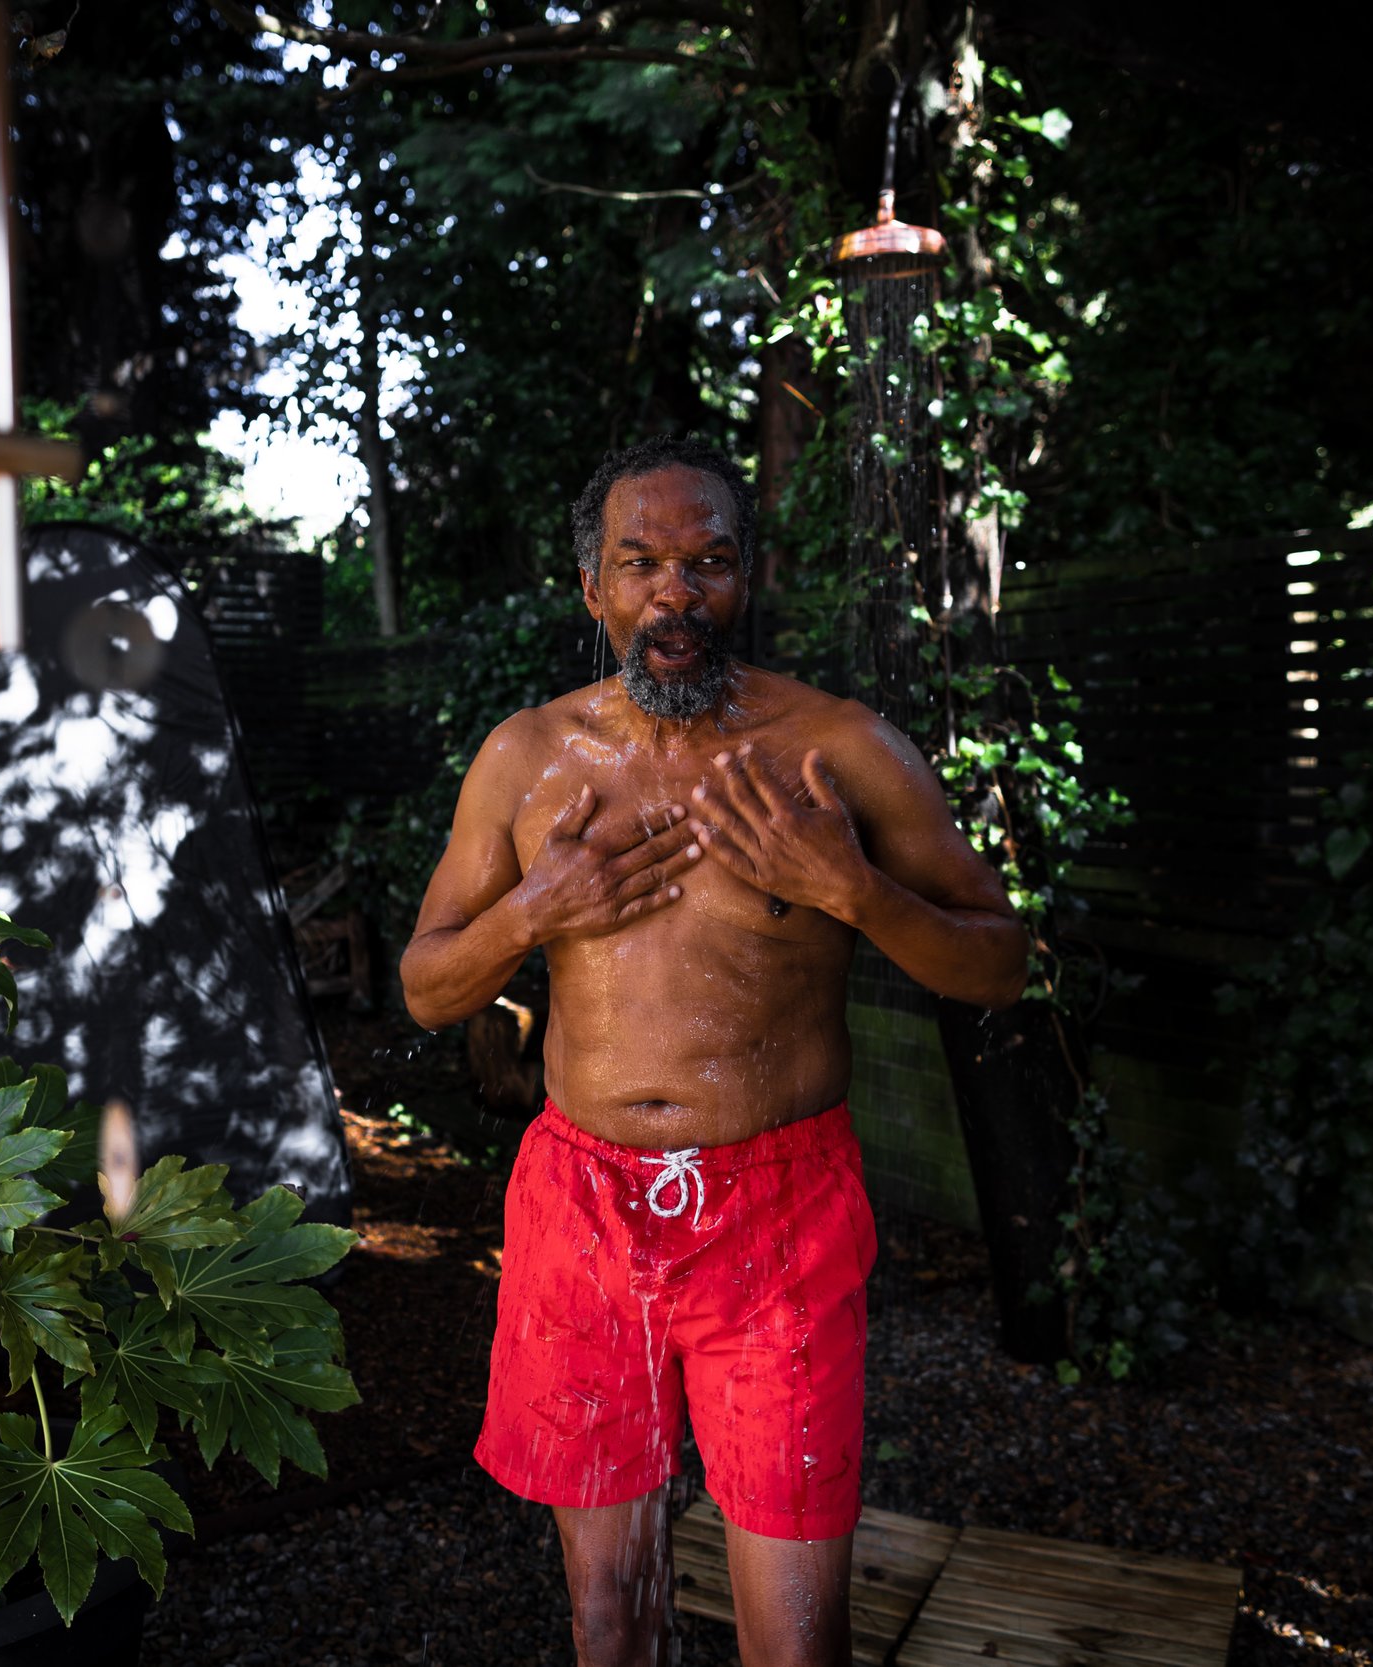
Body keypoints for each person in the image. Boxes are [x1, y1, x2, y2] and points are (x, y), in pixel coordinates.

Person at [399, 434, 1025, 1667]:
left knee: (797, 1638)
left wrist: (849, 888)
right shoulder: (528, 758)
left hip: (778, 1219)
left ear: (750, 578)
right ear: (593, 589)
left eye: (707, 562)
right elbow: (427, 985)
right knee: (609, 1617)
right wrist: (537, 912)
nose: (673, 594)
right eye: (640, 564)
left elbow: (999, 960)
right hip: (582, 1210)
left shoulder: (838, 749)